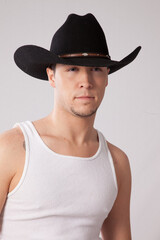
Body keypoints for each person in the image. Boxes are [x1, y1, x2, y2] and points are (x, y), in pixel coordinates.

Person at [0, 13, 141, 240]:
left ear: (107, 77)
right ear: (52, 77)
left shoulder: (117, 162)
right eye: (72, 69)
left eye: (96, 69)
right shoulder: (11, 148)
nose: (86, 80)